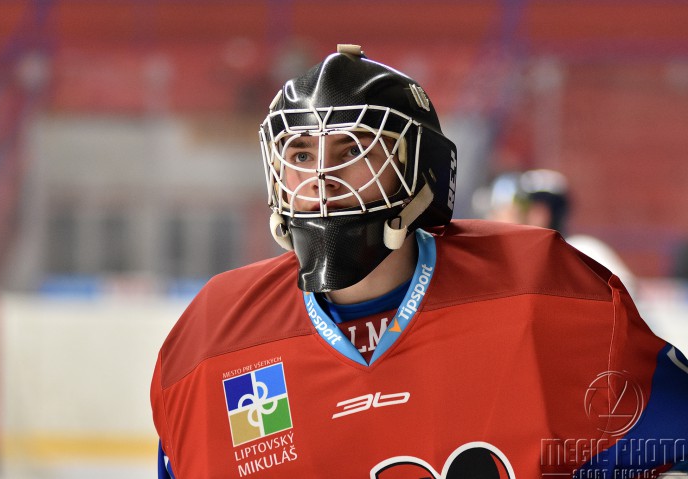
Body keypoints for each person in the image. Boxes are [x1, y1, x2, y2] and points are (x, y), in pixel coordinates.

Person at [151, 44, 688, 478]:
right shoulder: (212, 341)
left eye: (353, 150)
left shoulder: (539, 293)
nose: (320, 179)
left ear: (419, 168)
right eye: (300, 155)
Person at [475, 168, 638, 297]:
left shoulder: (583, 248)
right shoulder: (518, 262)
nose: (539, 214)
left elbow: (627, 294)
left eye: (548, 206)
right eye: (531, 207)